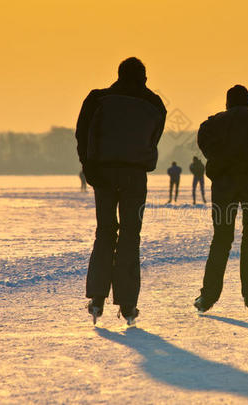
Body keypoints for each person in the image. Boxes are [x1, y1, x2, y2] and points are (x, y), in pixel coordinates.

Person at [75, 57, 166, 325]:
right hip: (135, 175)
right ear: (144, 77)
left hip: (102, 172)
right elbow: (154, 137)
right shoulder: (154, 104)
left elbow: (82, 135)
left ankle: (97, 298)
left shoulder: (98, 99)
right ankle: (128, 304)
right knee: (130, 234)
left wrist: (89, 167)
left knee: (105, 231)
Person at [194, 84, 248, 313]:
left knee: (221, 238)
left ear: (228, 102)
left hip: (224, 183)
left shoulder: (214, 123)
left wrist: (218, 154)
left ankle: (208, 296)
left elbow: (202, 138)